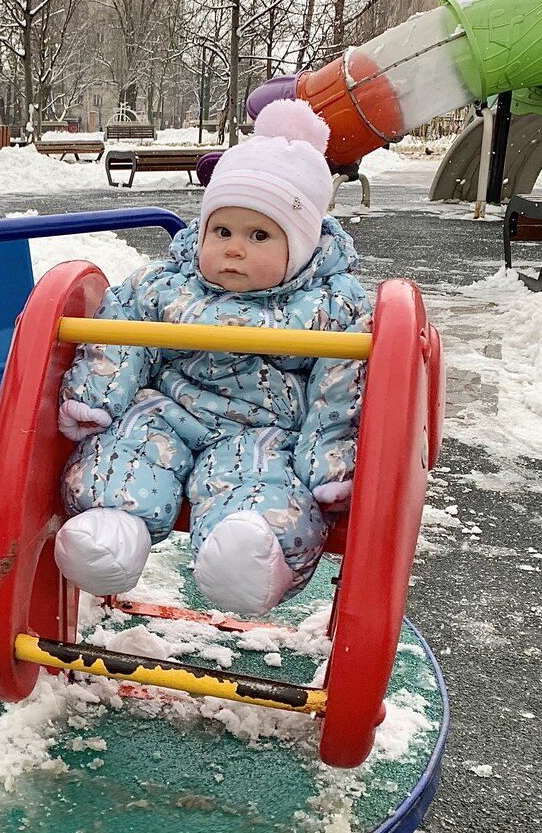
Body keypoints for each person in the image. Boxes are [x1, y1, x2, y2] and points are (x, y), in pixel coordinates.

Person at [53, 98, 371, 617]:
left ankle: (247, 555)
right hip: (170, 408)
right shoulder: (166, 285)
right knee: (128, 444)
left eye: (259, 235)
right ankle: (110, 530)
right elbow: (116, 334)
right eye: (221, 231)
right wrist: (94, 397)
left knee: (261, 481)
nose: (234, 249)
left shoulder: (332, 305)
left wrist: (329, 467)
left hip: (266, 431)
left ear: (304, 244)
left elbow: (342, 393)